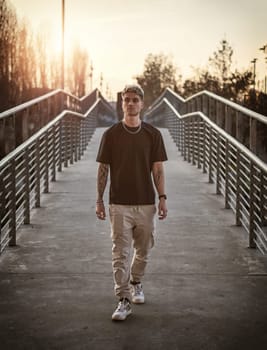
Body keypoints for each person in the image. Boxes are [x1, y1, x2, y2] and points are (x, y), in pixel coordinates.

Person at [95, 84, 168, 321]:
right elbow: (103, 169)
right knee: (120, 253)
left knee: (144, 249)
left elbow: (158, 169)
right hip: (119, 204)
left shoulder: (153, 134)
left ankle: (136, 281)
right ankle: (123, 299)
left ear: (142, 104)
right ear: (122, 103)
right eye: (126, 100)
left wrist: (162, 198)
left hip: (146, 203)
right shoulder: (111, 134)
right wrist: (99, 200)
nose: (130, 103)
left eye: (135, 100)